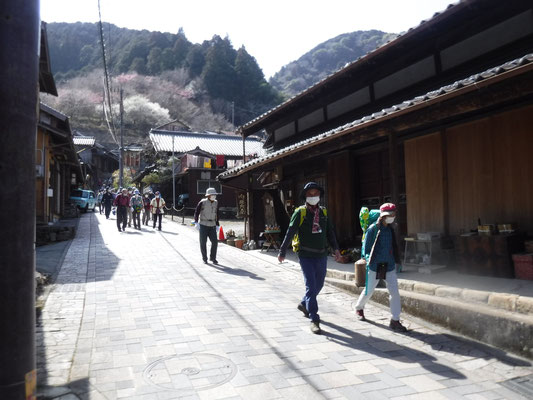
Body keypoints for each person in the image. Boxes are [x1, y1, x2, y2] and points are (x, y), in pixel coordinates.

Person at [278, 182, 341, 334]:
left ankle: (304, 304)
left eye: (315, 194)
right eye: (310, 194)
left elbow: (330, 232)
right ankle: (314, 319)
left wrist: (336, 249)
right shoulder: (300, 213)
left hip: (321, 254)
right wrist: (282, 251)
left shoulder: (324, 213)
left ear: (319, 196)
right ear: (305, 197)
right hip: (305, 255)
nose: (313, 197)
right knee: (311, 287)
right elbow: (290, 231)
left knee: (318, 285)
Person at [354, 203, 407, 332]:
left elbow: (393, 246)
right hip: (375, 265)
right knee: (369, 290)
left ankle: (395, 319)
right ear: (382, 216)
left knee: (394, 292)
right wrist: (367, 259)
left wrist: (397, 260)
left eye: (393, 215)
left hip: (389, 264)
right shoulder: (373, 229)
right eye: (389, 215)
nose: (391, 217)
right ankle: (359, 307)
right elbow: (366, 249)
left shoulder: (391, 229)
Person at [194, 188, 220, 264]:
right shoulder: (202, 202)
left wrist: (217, 224)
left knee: (215, 242)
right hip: (203, 224)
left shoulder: (216, 203)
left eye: (215, 195)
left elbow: (217, 213)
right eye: (212, 195)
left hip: (212, 225)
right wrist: (196, 222)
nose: (214, 196)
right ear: (208, 195)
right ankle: (204, 258)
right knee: (203, 242)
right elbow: (196, 212)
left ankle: (213, 258)